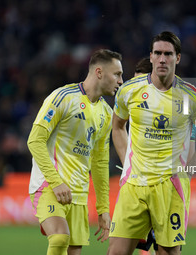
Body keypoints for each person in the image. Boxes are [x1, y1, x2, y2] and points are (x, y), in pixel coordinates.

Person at [108, 31, 196, 255]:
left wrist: (193, 165)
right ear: (150, 57)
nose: (162, 59)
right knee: (115, 253)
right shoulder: (130, 90)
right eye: (157, 53)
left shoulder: (192, 97)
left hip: (171, 187)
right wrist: (126, 163)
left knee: (168, 253)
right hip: (134, 185)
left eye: (168, 54)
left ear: (177, 58)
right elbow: (117, 126)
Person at [27, 49, 123, 255]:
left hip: (78, 195)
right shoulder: (63, 97)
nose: (121, 81)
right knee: (60, 237)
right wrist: (56, 181)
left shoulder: (106, 114)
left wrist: (103, 209)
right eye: (117, 74)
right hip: (49, 187)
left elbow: (99, 163)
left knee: (73, 250)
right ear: (99, 72)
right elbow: (35, 140)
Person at [133, 57, 196, 255]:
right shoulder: (135, 105)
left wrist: (187, 172)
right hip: (138, 183)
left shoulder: (180, 104)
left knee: (167, 248)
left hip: (169, 184)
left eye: (140, 82)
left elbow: (191, 142)